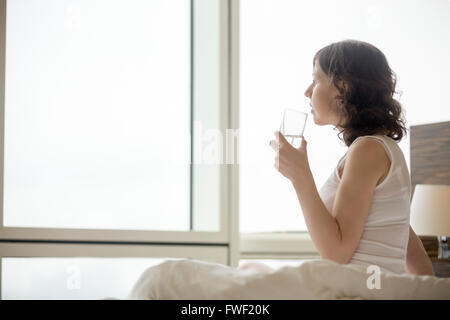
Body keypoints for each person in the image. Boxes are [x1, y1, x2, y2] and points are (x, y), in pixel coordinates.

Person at [240, 39, 434, 276]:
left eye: (315, 80)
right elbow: (421, 269)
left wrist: (300, 177)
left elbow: (336, 255)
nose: (307, 92)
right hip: (364, 289)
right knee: (249, 267)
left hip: (355, 290)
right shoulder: (382, 149)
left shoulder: (367, 150)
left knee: (246, 269)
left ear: (343, 88)